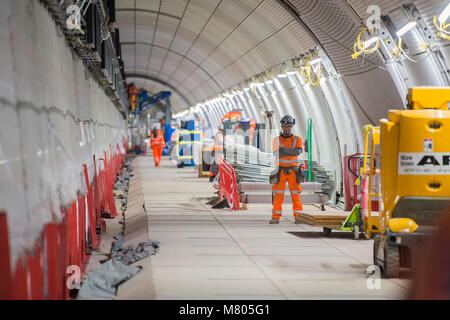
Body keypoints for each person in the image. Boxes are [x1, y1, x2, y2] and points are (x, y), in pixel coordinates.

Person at [269, 115, 304, 224]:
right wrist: (290, 151)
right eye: (284, 126)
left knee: (296, 195)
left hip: (294, 171)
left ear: (292, 126)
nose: (286, 128)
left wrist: (283, 150)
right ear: (282, 126)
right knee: (278, 195)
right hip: (280, 171)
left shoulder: (297, 139)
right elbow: (276, 153)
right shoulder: (276, 140)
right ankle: (275, 216)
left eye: (288, 126)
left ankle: (298, 217)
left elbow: (297, 152)